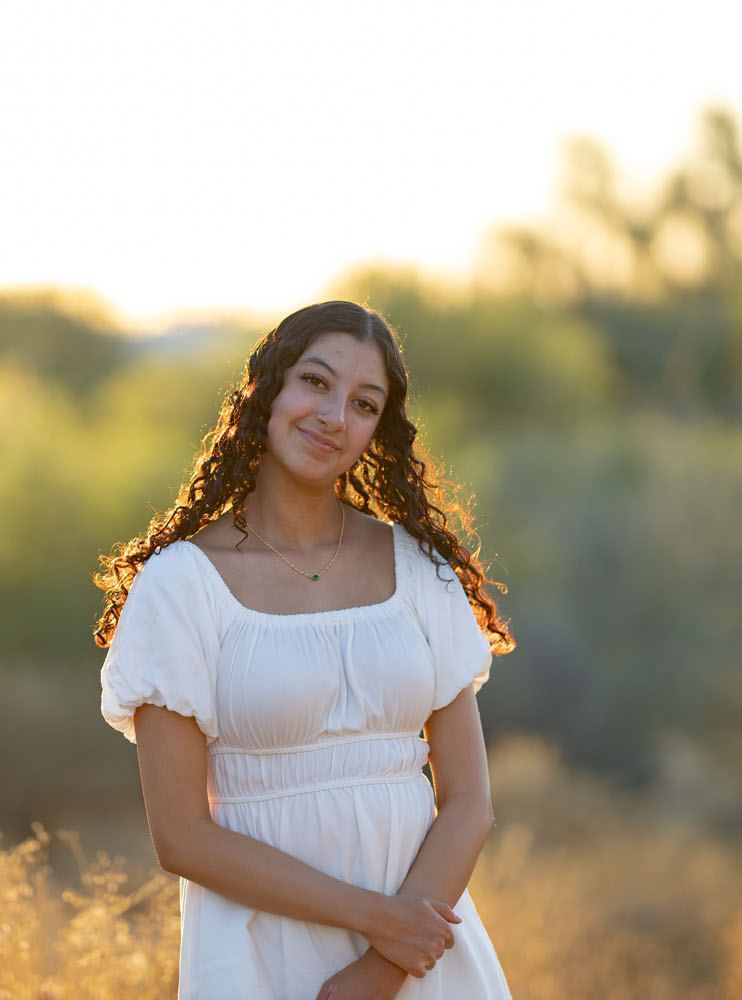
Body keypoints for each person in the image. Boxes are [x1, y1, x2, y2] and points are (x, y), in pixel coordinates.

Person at [94, 300, 514, 999]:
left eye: (364, 404)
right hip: (260, 952)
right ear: (266, 389)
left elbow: (470, 802)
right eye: (315, 382)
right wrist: (377, 919)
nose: (334, 416)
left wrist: (383, 969)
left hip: (423, 957)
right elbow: (181, 837)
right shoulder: (180, 585)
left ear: (377, 429)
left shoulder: (419, 568)